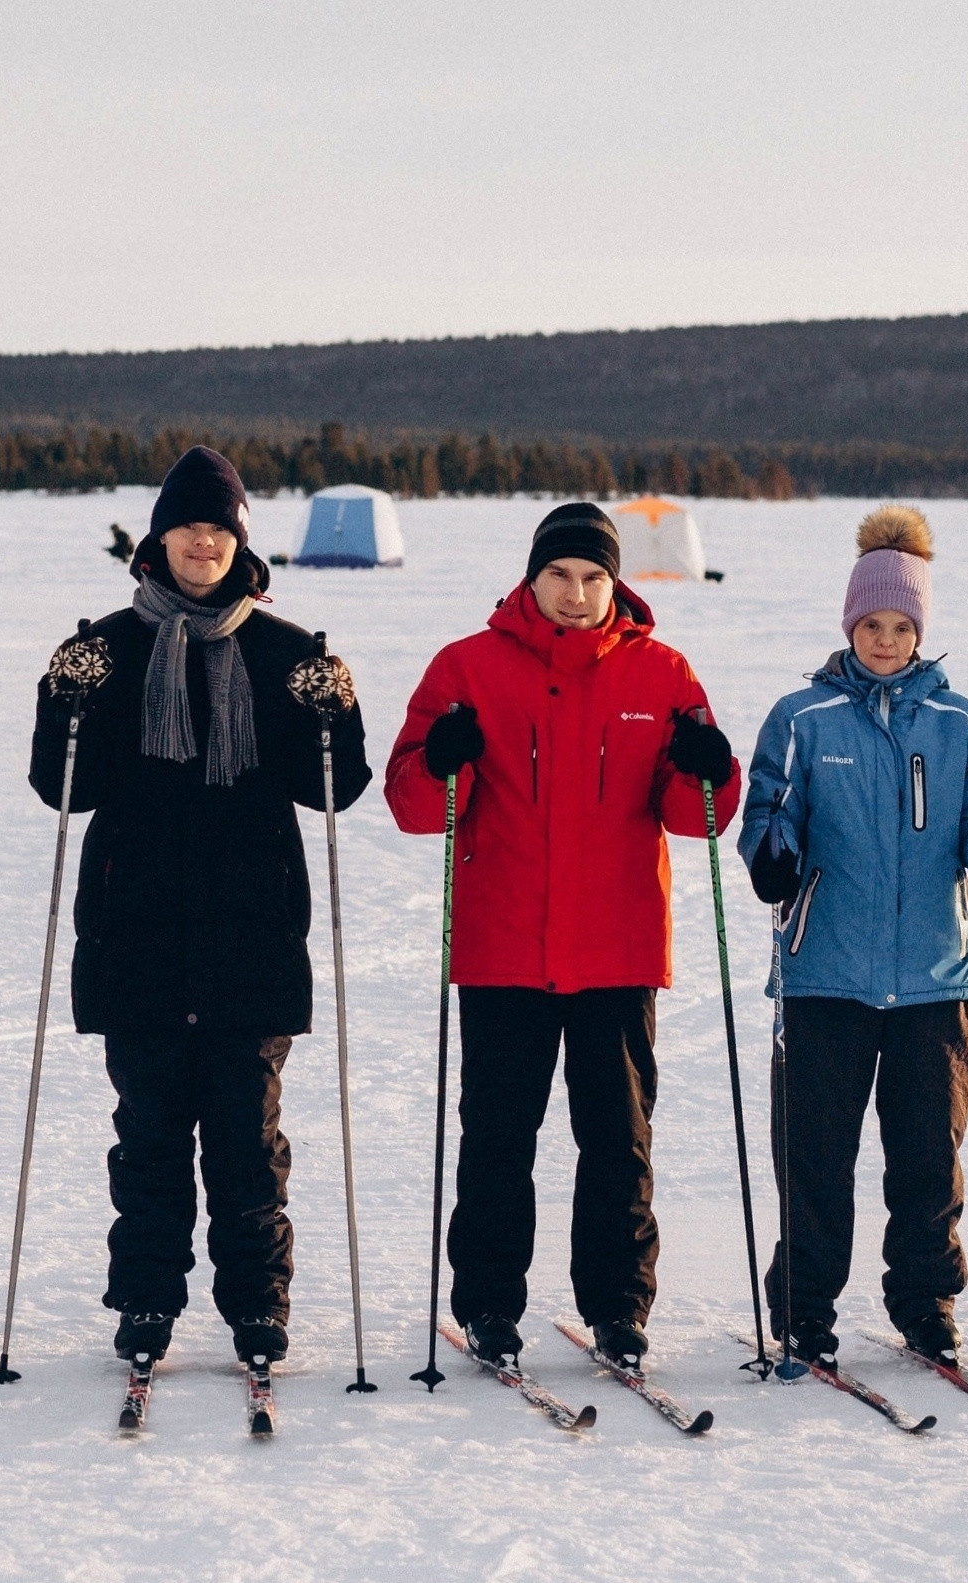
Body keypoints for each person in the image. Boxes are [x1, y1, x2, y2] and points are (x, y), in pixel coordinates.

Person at [29, 445, 369, 1368]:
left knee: (246, 1144)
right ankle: (145, 1303)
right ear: (160, 537)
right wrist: (62, 700)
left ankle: (258, 1305)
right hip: (134, 937)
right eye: (188, 525)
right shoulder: (108, 644)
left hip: (250, 943)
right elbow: (64, 789)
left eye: (219, 527)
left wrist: (335, 713)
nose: (203, 541)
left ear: (240, 541)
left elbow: (331, 790)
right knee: (147, 1142)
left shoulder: (284, 649)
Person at [384, 502, 737, 1367]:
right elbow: (409, 803)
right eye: (559, 577)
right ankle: (489, 1306)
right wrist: (440, 759)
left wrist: (712, 770)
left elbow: (694, 818)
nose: (575, 595)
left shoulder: (662, 673)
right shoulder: (465, 666)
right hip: (502, 948)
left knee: (616, 1140)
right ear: (530, 578)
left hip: (616, 951)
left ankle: (618, 1307)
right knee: (498, 1137)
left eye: (592, 578)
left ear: (614, 583)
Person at [737, 506, 968, 1368]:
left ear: (920, 630)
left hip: (936, 980)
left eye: (901, 625)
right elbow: (767, 811)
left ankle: (924, 1300)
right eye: (871, 623)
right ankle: (802, 1305)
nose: (884, 638)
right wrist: (773, 857)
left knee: (926, 1161)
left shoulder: (960, 724)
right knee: (815, 1157)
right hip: (823, 974)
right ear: (848, 624)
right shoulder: (803, 717)